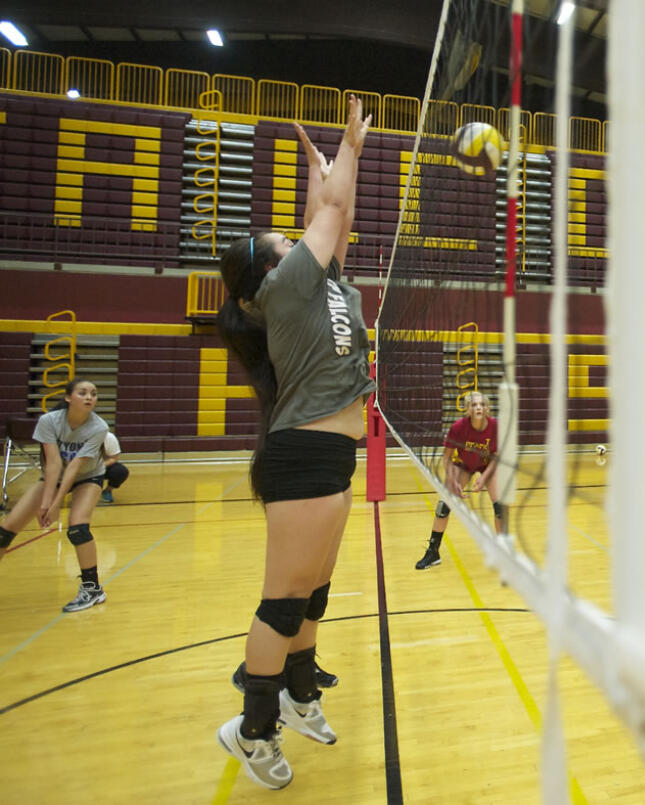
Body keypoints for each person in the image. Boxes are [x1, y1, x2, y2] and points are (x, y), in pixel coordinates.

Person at [214, 95, 373, 790]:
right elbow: (329, 219)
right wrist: (350, 152)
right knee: (283, 598)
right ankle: (250, 730)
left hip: (332, 452)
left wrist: (326, 170)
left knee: (312, 594)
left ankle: (301, 695)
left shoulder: (318, 283)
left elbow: (330, 220)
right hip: (305, 452)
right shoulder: (285, 290)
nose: (300, 237)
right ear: (273, 270)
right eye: (287, 239)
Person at [0, 378, 109, 612]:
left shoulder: (99, 427)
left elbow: (74, 467)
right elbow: (53, 464)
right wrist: (46, 502)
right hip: (54, 475)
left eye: (94, 393)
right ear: (69, 397)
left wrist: (56, 505)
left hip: (87, 477)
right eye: (83, 393)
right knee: (5, 529)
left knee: (78, 527)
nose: (90, 397)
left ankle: (92, 589)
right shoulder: (49, 421)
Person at [415, 391, 507, 570]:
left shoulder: (495, 427)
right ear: (467, 409)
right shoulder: (458, 428)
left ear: (487, 408)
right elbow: (446, 458)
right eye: (473, 405)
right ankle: (433, 552)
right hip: (464, 464)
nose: (478, 408)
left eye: (481, 405)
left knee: (500, 507)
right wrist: (453, 480)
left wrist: (483, 479)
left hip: (487, 465)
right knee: (443, 506)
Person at [100, 430, 129, 504]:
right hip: (80, 468)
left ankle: (108, 491)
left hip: (101, 466)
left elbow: (114, 458)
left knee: (120, 471)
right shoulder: (76, 437)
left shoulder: (108, 437)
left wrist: (98, 467)